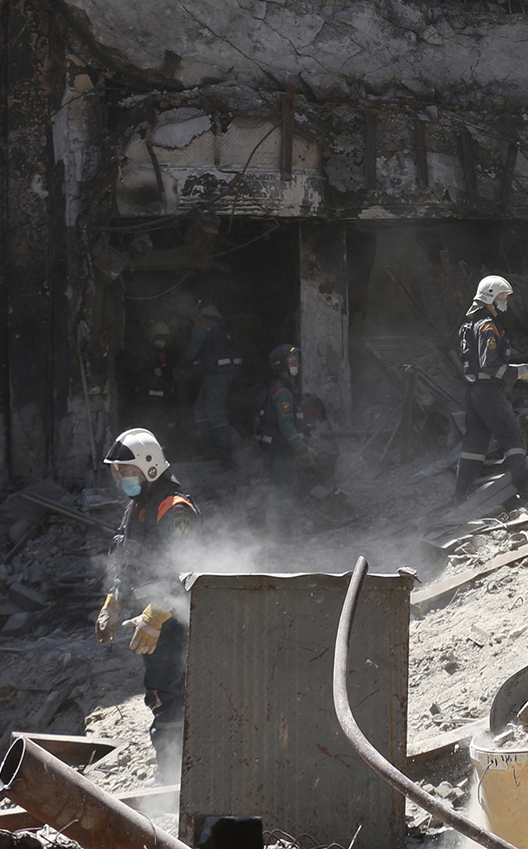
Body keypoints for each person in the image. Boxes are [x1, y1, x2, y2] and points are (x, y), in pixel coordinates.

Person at [95, 428, 197, 783]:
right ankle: (172, 773)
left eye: (128, 471)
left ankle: (174, 779)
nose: (122, 478)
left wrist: (154, 618)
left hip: (174, 620)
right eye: (118, 472)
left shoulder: (175, 509)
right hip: (151, 619)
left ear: (150, 467)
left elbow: (184, 571)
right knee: (159, 690)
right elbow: (125, 560)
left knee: (170, 693)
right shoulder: (137, 508)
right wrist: (112, 604)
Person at [453, 275, 528, 501]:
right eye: (502, 296)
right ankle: (525, 491)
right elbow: (490, 364)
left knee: (474, 443)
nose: (505, 301)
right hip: (489, 393)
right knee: (512, 440)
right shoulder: (487, 326)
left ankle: (460, 495)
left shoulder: (470, 324)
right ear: (490, 298)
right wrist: (521, 373)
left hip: (473, 392)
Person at [254, 342, 350, 527]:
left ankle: (258, 524)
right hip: (281, 449)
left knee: (275, 485)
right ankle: (286, 529)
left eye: (296, 359)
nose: (296, 363)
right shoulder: (283, 392)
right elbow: (286, 426)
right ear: (281, 365)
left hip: (276, 447)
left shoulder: (284, 387)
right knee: (285, 488)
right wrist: (303, 449)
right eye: (291, 360)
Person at [181, 303, 244, 463]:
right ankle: (211, 447)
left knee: (215, 411)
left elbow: (192, 348)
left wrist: (182, 362)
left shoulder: (204, 326)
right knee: (200, 410)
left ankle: (225, 454)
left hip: (218, 374)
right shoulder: (222, 327)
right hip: (218, 373)